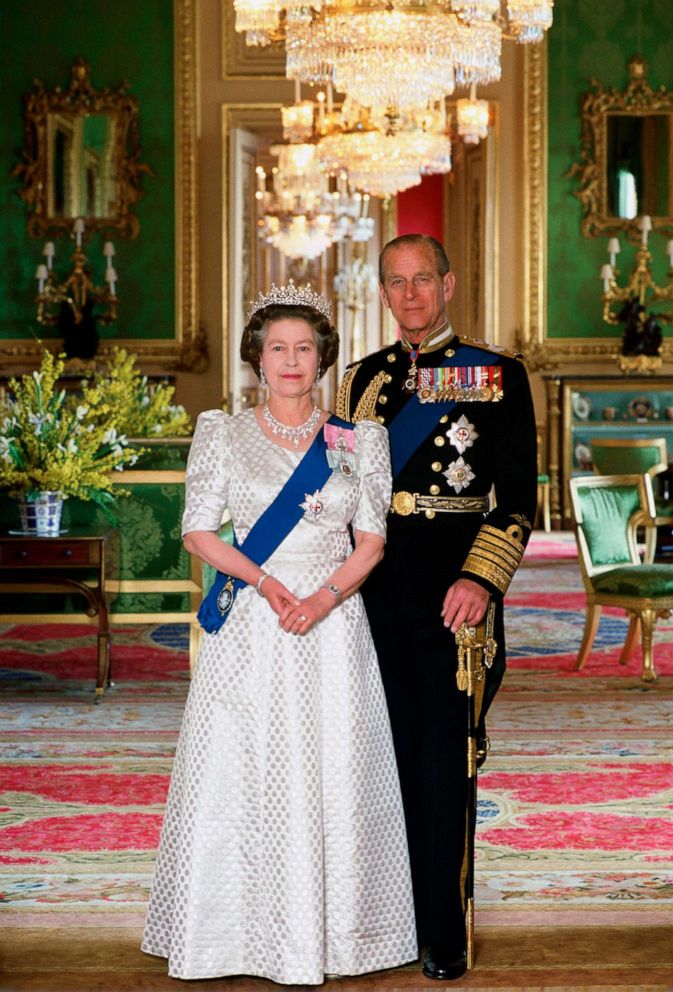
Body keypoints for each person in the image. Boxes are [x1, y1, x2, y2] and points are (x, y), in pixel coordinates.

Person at [141, 281, 417, 985]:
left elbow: (371, 542)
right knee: (243, 770)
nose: (291, 361)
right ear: (257, 360)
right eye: (277, 349)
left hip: (331, 622)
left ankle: (340, 937)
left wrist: (322, 598)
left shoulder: (359, 441)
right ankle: (229, 936)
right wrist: (267, 586)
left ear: (321, 358)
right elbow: (197, 532)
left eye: (303, 348)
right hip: (254, 626)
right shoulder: (222, 432)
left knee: (335, 770)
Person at [336, 234, 538, 980]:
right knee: (371, 759)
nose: (411, 295)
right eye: (396, 282)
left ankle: (441, 929)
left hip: (452, 595)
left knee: (439, 762)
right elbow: (336, 494)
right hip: (369, 589)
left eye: (423, 280)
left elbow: (516, 501)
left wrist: (481, 581)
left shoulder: (495, 374)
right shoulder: (356, 382)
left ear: (448, 285)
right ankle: (379, 918)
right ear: (383, 292)